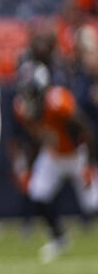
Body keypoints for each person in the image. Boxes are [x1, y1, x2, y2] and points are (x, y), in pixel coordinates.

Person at [11, 61, 97, 262]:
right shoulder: (24, 108)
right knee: (37, 192)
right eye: (25, 92)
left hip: (76, 155)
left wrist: (89, 166)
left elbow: (88, 130)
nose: (27, 97)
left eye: (31, 92)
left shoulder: (58, 102)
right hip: (53, 155)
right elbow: (34, 140)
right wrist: (29, 170)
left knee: (92, 203)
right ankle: (59, 238)